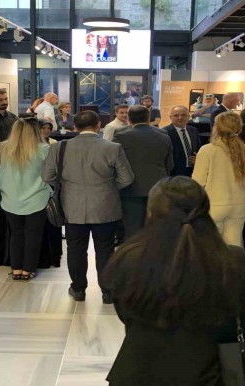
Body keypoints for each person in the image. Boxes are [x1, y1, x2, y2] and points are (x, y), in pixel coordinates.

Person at [102, 176, 245, 385]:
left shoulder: (129, 258)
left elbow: (126, 314)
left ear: (151, 213)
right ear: (205, 210)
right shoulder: (235, 260)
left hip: (139, 371)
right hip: (214, 373)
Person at [42, 111, 134, 303]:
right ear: (98, 125)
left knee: (75, 249)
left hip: (71, 205)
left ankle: (78, 289)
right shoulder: (113, 147)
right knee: (105, 249)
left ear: (75, 127)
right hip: (105, 205)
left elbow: (47, 176)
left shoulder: (59, 147)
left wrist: (69, 187)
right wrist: (108, 188)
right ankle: (108, 292)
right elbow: (127, 178)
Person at [0, 118, 53, 281]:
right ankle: (28, 269)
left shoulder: (4, 147)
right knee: (33, 235)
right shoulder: (44, 149)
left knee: (16, 234)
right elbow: (50, 174)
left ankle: (16, 269)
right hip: (37, 197)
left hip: (10, 197)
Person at [193, 112, 245, 247]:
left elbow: (198, 181)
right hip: (239, 205)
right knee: (235, 246)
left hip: (213, 206)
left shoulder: (207, 150)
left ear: (217, 127)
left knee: (211, 248)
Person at [113, 105, 174, 239]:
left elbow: (115, 164)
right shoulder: (164, 135)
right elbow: (169, 164)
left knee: (133, 230)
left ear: (129, 119)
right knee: (156, 229)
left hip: (130, 189)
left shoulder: (121, 135)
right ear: (148, 118)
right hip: (158, 188)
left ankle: (134, 252)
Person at [163, 105, 201, 177]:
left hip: (193, 172)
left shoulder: (194, 130)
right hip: (173, 174)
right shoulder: (164, 133)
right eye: (176, 115)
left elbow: (198, 150)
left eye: (183, 115)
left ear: (188, 117)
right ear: (170, 117)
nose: (180, 118)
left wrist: (198, 159)